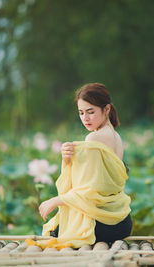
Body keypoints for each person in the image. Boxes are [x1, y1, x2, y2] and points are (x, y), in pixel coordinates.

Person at [26, 83, 132, 249]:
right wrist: (67, 159)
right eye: (81, 113)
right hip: (122, 221)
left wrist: (57, 200)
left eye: (91, 112)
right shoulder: (115, 136)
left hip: (105, 222)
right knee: (58, 229)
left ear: (107, 109)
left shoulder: (93, 139)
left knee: (55, 232)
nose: (85, 118)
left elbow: (89, 190)